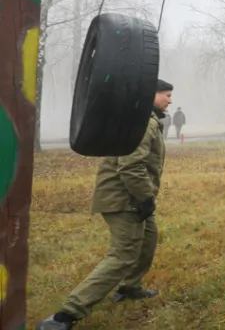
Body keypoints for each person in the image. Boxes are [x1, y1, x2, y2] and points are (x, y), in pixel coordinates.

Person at [38, 79, 174, 330]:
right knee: (123, 255)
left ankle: (129, 288)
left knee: (148, 238)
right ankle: (65, 315)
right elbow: (130, 166)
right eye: (165, 95)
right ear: (149, 96)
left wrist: (146, 199)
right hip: (124, 199)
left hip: (132, 196)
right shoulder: (143, 123)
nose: (170, 100)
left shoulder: (147, 120)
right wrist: (145, 198)